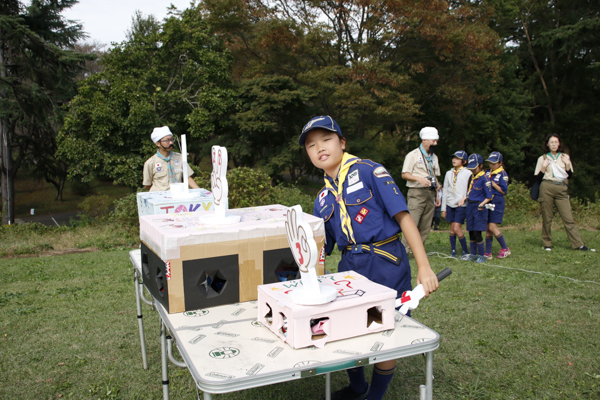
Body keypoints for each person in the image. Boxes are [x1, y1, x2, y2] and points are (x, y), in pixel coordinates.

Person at [300, 116, 439, 400]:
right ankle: (358, 387)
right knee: (349, 329)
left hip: (386, 262)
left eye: (326, 140)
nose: (319, 148)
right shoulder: (323, 197)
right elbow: (322, 245)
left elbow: (404, 218)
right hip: (349, 268)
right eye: (311, 145)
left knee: (385, 330)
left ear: (342, 142)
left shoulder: (368, 172)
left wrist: (423, 267)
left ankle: (374, 396)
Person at [534, 134, 590, 251]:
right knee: (547, 217)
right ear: (547, 144)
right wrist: (544, 167)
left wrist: (568, 164)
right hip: (547, 187)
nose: (554, 144)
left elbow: (570, 175)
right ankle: (547, 244)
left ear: (559, 144)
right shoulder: (542, 158)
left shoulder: (565, 157)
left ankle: (578, 244)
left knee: (568, 218)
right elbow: (537, 178)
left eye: (556, 142)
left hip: (561, 188)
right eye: (551, 142)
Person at [400, 127, 441, 253]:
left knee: (426, 225)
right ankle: (404, 251)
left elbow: (435, 176)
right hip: (417, 193)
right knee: (412, 223)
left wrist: (437, 194)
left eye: (436, 141)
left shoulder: (434, 157)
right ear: (424, 140)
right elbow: (404, 174)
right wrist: (418, 178)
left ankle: (417, 250)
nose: (435, 144)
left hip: (430, 192)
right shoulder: (413, 155)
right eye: (433, 141)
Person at [143, 126, 200, 192]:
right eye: (167, 140)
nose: (171, 143)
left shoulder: (180, 158)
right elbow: (147, 185)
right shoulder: (151, 162)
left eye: (171, 139)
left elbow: (187, 177)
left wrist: (199, 191)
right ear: (158, 143)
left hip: (178, 195)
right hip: (160, 198)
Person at [458, 153, 492, 263]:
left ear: (481, 165)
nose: (472, 170)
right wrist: (464, 198)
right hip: (470, 206)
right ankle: (473, 254)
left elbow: (489, 196)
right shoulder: (472, 178)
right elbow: (471, 192)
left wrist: (482, 204)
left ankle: (481, 255)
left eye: (474, 168)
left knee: (477, 232)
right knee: (471, 231)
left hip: (479, 207)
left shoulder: (484, 179)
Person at [441, 150, 471, 258]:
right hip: (450, 203)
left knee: (457, 228)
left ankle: (465, 251)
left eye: (458, 158)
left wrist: (465, 197)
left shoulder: (468, 173)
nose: (454, 160)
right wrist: (443, 208)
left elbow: (471, 188)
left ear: (464, 161)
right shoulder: (449, 173)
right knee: (452, 229)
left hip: (461, 204)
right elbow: (445, 189)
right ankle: (453, 251)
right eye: (453, 158)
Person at [484, 152, 511, 259]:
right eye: (490, 163)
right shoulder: (487, 172)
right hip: (488, 201)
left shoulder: (503, 174)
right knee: (487, 227)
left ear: (500, 163)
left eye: (494, 163)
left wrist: (493, 183)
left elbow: (504, 191)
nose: (491, 165)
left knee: (492, 226)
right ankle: (488, 253)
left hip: (497, 201)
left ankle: (505, 248)